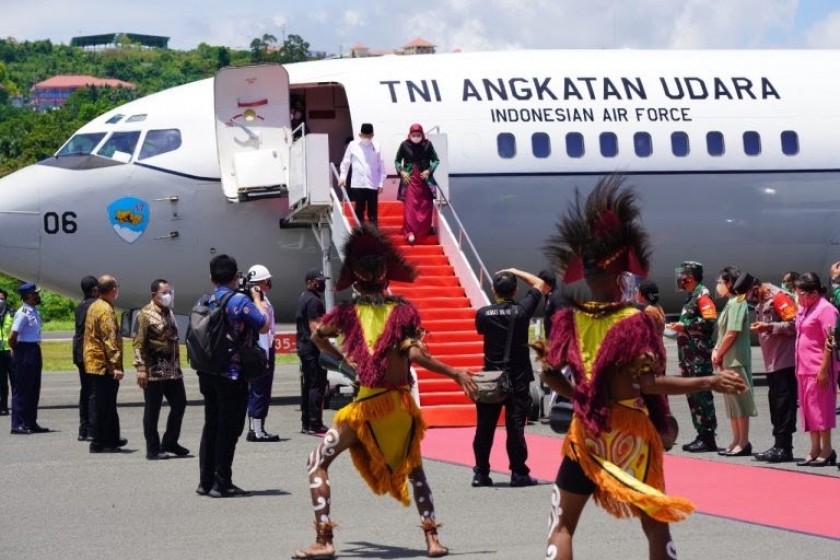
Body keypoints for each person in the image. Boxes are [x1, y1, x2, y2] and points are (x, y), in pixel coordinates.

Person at [535, 175, 746, 560]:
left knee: (561, 525)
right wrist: (710, 380)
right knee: (655, 527)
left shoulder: (568, 320)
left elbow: (548, 375)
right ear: (621, 276)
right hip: (632, 433)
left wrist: (583, 395)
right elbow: (649, 384)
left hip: (588, 434)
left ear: (587, 276)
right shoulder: (636, 321)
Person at [293, 225, 479, 560]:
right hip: (401, 409)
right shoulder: (405, 312)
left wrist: (341, 357)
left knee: (316, 462)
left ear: (356, 280)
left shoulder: (347, 314)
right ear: (384, 277)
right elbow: (417, 354)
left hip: (367, 409)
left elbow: (318, 336)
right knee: (416, 470)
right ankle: (432, 539)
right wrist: (453, 372)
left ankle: (324, 540)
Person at [196, 255, 270, 497]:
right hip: (232, 374)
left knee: (212, 425)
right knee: (229, 429)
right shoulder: (238, 300)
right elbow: (263, 324)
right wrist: (258, 299)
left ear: (210, 277)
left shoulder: (205, 299)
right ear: (236, 276)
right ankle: (222, 482)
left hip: (208, 371)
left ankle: (205, 481)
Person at [472, 268, 548, 488]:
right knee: (515, 428)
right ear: (515, 291)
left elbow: (480, 331)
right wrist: (514, 270)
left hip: (491, 378)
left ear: (494, 290)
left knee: (484, 428)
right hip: (518, 378)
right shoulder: (522, 312)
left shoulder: (484, 314)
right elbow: (539, 283)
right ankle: (518, 473)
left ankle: (481, 473)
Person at [734, 273, 798, 462]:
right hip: (771, 362)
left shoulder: (779, 297)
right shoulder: (762, 300)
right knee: (775, 407)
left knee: (784, 406)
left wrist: (769, 327)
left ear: (756, 287)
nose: (749, 299)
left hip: (785, 362)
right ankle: (778, 445)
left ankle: (785, 448)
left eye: (748, 295)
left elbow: (794, 325)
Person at [666, 260, 719, 453]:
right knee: (693, 396)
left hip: (698, 356)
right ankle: (701, 434)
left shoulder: (702, 295)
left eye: (682, 275)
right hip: (689, 357)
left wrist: (685, 326)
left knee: (701, 395)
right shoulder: (691, 297)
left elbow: (710, 320)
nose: (679, 278)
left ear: (690, 276)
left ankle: (708, 437)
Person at [134, 278, 189, 460]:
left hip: (172, 370)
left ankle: (170, 441)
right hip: (154, 371)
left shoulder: (169, 312)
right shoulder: (145, 315)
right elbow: (138, 344)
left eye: (170, 292)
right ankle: (153, 448)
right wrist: (141, 368)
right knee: (152, 410)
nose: (168, 296)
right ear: (153, 295)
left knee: (180, 404)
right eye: (164, 293)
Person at [792, 272, 838, 467]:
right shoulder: (805, 309)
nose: (798, 297)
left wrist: (823, 368)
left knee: (821, 409)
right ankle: (814, 447)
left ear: (812, 293)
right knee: (808, 410)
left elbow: (830, 341)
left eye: (800, 293)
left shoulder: (826, 309)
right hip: (804, 367)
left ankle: (827, 449)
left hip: (819, 367)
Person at [712, 266, 757, 457]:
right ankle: (736, 439)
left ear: (730, 282)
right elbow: (722, 333)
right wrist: (716, 350)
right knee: (731, 403)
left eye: (721, 282)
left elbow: (732, 332)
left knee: (740, 401)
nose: (718, 286)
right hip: (726, 359)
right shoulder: (731, 302)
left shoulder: (738, 302)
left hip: (735, 358)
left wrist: (719, 353)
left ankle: (743, 441)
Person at [84, 275, 126, 452]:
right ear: (113, 290)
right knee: (105, 405)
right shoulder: (106, 311)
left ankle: (112, 438)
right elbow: (110, 341)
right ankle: (101, 442)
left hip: (93, 362)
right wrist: (115, 366)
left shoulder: (95, 306)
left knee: (107, 403)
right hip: (104, 365)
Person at [245, 264, 280, 442]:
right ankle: (257, 431)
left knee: (257, 390)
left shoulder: (257, 299)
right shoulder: (259, 302)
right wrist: (265, 356)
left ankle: (255, 427)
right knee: (260, 390)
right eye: (267, 280)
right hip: (262, 350)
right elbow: (263, 330)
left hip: (259, 349)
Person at [9, 283, 48, 434]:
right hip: (25, 350)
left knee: (33, 387)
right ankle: (17, 423)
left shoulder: (33, 311)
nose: (37, 296)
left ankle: (31, 422)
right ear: (28, 296)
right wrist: (16, 350)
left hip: (34, 349)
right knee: (22, 388)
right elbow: (13, 336)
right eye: (34, 293)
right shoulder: (23, 312)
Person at [295, 268, 329, 435]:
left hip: (304, 347)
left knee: (308, 385)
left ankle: (307, 423)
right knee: (317, 385)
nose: (321, 283)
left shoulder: (303, 297)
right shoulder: (314, 301)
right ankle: (315, 423)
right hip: (313, 348)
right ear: (309, 283)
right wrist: (325, 348)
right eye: (318, 280)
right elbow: (315, 327)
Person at [395, 123, 440, 245]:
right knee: (410, 207)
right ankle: (410, 232)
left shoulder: (428, 145)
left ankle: (423, 231)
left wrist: (429, 170)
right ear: (409, 135)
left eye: (418, 135)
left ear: (422, 134)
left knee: (425, 206)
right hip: (410, 180)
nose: (416, 137)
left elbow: (436, 160)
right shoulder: (404, 145)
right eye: (413, 135)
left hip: (425, 181)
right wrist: (401, 172)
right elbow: (397, 161)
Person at [338, 123, 385, 226]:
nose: (367, 138)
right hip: (358, 183)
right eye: (365, 136)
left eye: (369, 136)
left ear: (372, 135)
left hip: (372, 183)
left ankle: (373, 234)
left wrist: (381, 183)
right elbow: (346, 162)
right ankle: (360, 232)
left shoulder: (377, 146)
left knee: (373, 212)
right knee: (359, 210)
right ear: (360, 135)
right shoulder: (353, 145)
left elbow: (381, 166)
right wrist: (342, 176)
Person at [72, 276, 98, 441]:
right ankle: (92, 429)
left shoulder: (80, 306)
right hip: (89, 353)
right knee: (94, 394)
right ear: (95, 289)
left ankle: (83, 428)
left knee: (85, 391)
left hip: (79, 353)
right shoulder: (95, 306)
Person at [0, 288, 15, 417]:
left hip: (10, 351)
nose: (0, 301)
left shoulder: (12, 313)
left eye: (2, 299)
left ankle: (17, 406)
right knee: (1, 382)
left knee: (15, 380)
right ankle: (3, 407)